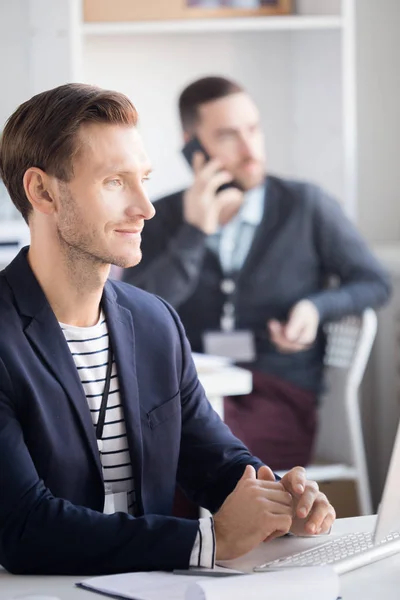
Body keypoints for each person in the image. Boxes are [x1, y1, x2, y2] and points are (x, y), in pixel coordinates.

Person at [0, 83, 335, 576]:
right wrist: (209, 541)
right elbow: (24, 530)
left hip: (153, 586)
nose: (146, 207)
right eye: (115, 181)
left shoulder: (154, 322)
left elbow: (215, 463)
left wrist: (280, 501)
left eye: (145, 179)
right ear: (42, 191)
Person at [123, 76, 391, 470]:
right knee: (152, 440)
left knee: (198, 451)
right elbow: (135, 309)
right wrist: (195, 233)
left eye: (253, 129)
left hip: (279, 395)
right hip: (190, 392)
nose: (250, 149)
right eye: (229, 135)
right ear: (193, 146)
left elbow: (374, 281)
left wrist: (315, 308)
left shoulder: (304, 205)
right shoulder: (161, 217)